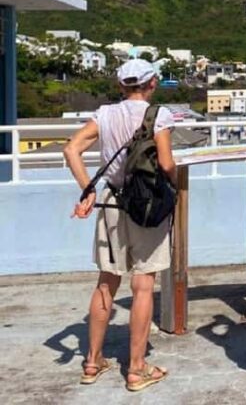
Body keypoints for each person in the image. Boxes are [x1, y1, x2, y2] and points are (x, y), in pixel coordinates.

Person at [63, 59, 177, 391]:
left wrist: (88, 189)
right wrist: (175, 185)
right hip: (146, 206)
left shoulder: (104, 114)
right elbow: (166, 163)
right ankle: (137, 369)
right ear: (152, 83)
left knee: (106, 283)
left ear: (121, 86)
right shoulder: (159, 116)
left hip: (112, 201)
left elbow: (71, 149)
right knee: (143, 285)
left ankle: (92, 361)